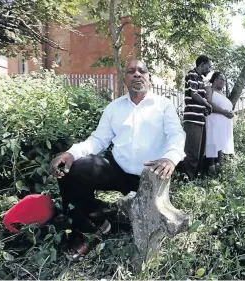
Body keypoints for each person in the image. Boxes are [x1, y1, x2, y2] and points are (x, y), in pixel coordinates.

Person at [49, 60, 186, 260]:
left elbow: (177, 134)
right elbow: (97, 140)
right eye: (131, 71)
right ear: (125, 79)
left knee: (142, 223)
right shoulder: (114, 108)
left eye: (142, 71)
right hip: (117, 170)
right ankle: (91, 226)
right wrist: (70, 154)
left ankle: (109, 215)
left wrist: (171, 158)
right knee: (73, 168)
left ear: (149, 78)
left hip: (149, 176)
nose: (137, 74)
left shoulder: (163, 106)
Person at [178, 55, 213, 179]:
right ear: (202, 64)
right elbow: (194, 94)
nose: (209, 70)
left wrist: (205, 108)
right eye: (208, 67)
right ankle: (186, 177)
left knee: (200, 151)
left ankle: (194, 178)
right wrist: (207, 104)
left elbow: (202, 98)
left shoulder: (201, 79)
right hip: (192, 118)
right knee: (192, 150)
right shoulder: (191, 74)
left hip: (200, 119)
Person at [205, 72, 234, 174]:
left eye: (224, 80)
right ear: (215, 79)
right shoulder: (209, 89)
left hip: (222, 126)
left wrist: (230, 113)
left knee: (219, 145)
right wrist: (224, 112)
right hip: (213, 123)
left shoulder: (222, 94)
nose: (223, 82)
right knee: (212, 144)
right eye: (221, 79)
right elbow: (208, 103)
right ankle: (210, 169)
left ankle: (218, 169)